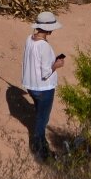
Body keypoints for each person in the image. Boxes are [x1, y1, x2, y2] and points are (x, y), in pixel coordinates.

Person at [22, 11, 65, 160]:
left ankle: (42, 145)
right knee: (42, 120)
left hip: (31, 85)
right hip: (43, 88)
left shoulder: (29, 39)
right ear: (47, 29)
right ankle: (39, 150)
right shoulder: (44, 47)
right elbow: (46, 72)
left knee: (40, 114)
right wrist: (57, 64)